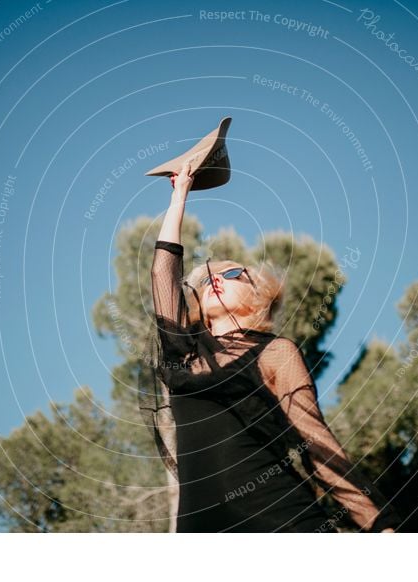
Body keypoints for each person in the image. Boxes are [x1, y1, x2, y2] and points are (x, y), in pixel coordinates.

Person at [139, 160, 400, 533]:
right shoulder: (186, 353)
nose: (217, 278)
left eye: (232, 273)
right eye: (210, 276)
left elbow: (315, 441)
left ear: (258, 293)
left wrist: (380, 526)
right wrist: (180, 193)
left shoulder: (275, 352)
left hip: (281, 521)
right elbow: (163, 272)